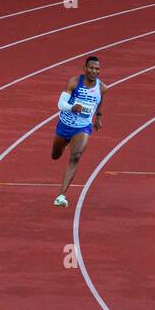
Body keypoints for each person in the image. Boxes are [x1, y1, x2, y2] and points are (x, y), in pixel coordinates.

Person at [51, 56, 105, 208]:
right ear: (85, 68)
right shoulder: (74, 82)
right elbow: (60, 104)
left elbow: (100, 100)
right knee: (55, 155)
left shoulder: (102, 88)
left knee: (76, 156)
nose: (94, 71)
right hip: (65, 125)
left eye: (97, 69)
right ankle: (66, 144)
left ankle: (61, 195)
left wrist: (98, 116)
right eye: (91, 68)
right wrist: (72, 107)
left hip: (83, 127)